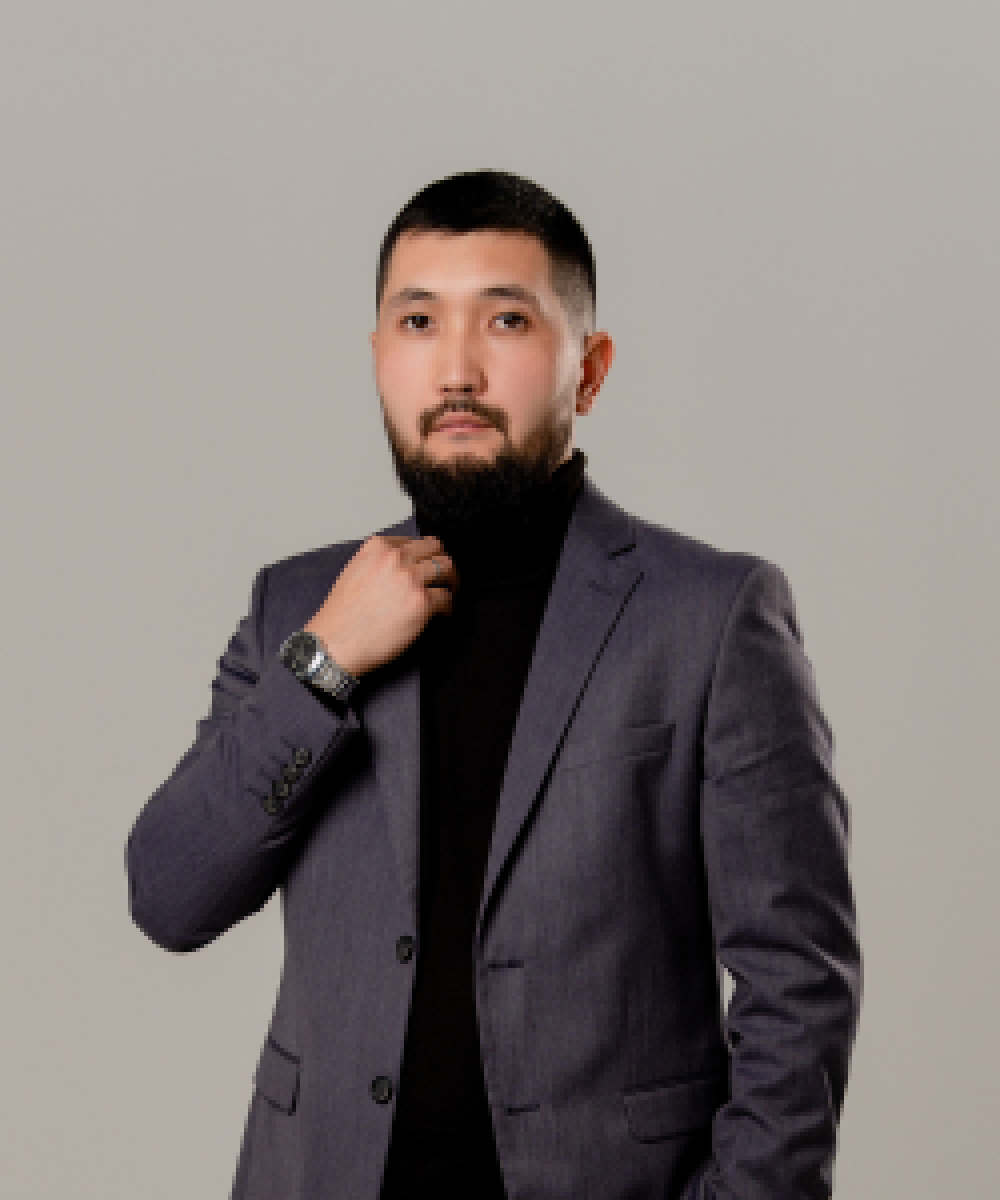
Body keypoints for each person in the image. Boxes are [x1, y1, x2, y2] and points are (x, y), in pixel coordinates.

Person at [126, 169, 861, 1200]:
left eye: (506, 320)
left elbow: (798, 983)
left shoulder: (712, 615)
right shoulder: (296, 605)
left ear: (588, 370)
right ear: (379, 360)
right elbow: (169, 893)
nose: (457, 369)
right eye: (418, 321)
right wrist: (325, 661)